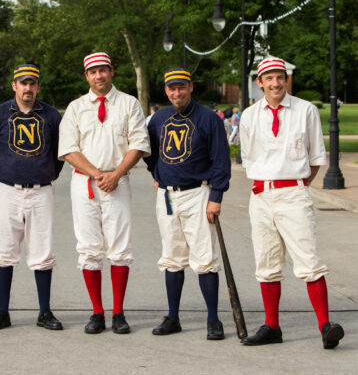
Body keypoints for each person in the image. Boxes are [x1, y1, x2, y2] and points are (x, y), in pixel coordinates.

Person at [240, 57, 344, 349]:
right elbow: (249, 157)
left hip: (293, 192)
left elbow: (314, 160)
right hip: (260, 194)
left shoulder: (305, 111)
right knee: (267, 261)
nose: (275, 83)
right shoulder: (249, 116)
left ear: (286, 79)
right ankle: (272, 325)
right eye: (269, 78)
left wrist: (295, 183)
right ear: (259, 82)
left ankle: (325, 324)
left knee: (308, 259)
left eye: (280, 77)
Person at [58, 52, 150, 334]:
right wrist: (97, 174)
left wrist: (116, 174)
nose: (99, 76)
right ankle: (97, 311)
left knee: (120, 247)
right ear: (87, 76)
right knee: (88, 247)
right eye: (93, 72)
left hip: (118, 181)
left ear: (112, 72)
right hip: (86, 182)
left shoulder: (129, 104)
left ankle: (119, 312)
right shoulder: (76, 107)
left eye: (103, 70)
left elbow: (138, 143)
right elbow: (68, 149)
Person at [145, 68, 231, 340]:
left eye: (181, 87)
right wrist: (157, 175)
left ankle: (213, 319)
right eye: (171, 88)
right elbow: (150, 153)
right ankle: (173, 316)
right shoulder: (158, 119)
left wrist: (216, 197)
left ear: (190, 87)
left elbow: (220, 161)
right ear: (166, 91)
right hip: (168, 196)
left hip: (198, 194)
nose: (176, 92)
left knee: (204, 258)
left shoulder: (208, 119)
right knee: (172, 257)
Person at [0, 64, 64, 331]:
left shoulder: (51, 115)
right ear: (14, 85)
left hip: (41, 189)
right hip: (8, 190)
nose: (27, 88)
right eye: (23, 83)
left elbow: (58, 154)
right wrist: (5, 172)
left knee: (42, 249)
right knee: (4, 250)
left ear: (38, 86)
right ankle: (3, 311)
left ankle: (44, 311)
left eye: (32, 83)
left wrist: (45, 173)